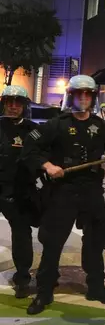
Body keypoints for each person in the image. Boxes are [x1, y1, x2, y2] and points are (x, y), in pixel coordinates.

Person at [20, 75, 105, 315]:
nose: (83, 98)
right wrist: (48, 166)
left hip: (91, 191)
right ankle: (44, 291)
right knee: (53, 242)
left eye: (87, 94)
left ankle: (96, 287)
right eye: (79, 93)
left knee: (95, 240)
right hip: (62, 191)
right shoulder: (56, 124)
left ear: (93, 97)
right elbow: (30, 150)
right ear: (71, 96)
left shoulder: (101, 126)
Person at [0, 85, 39, 299]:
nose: (13, 106)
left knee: (22, 234)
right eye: (9, 102)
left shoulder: (34, 131)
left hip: (19, 190)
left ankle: (23, 277)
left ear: (24, 106)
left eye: (18, 103)